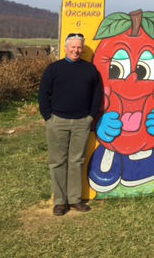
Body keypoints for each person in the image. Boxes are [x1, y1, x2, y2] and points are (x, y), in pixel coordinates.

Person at [38, 33, 102, 216]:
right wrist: (48, 118)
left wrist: (90, 116)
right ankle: (60, 202)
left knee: (76, 161)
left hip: (82, 122)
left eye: (79, 47)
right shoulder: (53, 69)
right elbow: (43, 94)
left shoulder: (90, 70)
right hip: (57, 121)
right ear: (65, 48)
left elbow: (97, 95)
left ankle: (74, 200)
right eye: (73, 47)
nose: (76, 50)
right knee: (57, 162)